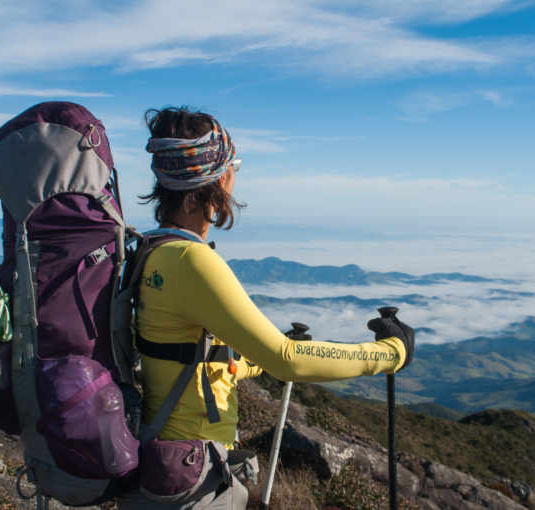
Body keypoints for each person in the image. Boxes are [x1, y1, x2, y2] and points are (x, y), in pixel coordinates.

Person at [118, 107, 415, 510]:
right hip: (192, 477)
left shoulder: (150, 250)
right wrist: (388, 354)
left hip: (161, 462)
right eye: (233, 166)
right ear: (218, 177)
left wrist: (253, 356)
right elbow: (288, 361)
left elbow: (188, 354)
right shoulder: (192, 262)